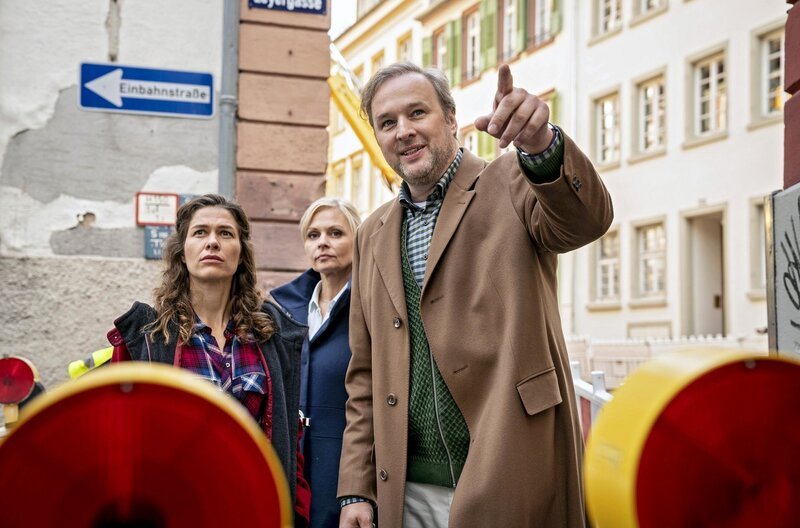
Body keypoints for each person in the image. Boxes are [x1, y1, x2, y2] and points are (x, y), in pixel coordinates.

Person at [337, 62, 614, 528]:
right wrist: (355, 490)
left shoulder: (510, 180)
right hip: (405, 488)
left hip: (512, 468)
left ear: (450, 118)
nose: (403, 131)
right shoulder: (371, 233)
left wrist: (542, 147)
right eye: (387, 123)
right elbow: (363, 376)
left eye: (417, 113)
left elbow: (585, 221)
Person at [106, 193, 311, 527]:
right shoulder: (148, 339)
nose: (212, 242)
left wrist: (294, 512)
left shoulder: (272, 336)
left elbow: (290, 442)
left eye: (225, 233)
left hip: (253, 508)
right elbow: (120, 445)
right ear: (181, 252)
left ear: (241, 252)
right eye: (200, 233)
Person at [271, 197, 362, 528]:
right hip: (288, 469)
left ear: (359, 238)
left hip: (346, 472)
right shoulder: (282, 311)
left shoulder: (373, 307)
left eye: (336, 233)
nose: (322, 242)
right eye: (313, 235)